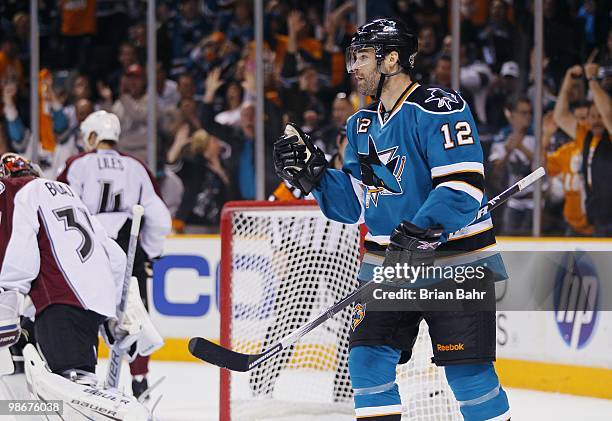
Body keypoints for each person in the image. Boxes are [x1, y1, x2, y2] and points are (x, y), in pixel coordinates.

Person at [273, 19, 510, 421]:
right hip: (389, 268)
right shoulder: (359, 125)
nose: (354, 68)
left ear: (392, 60)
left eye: (363, 57)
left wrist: (424, 228)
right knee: (366, 362)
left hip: (455, 265)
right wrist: (316, 178)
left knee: (469, 374)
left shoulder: (438, 107)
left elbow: (464, 185)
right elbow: (354, 205)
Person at [0, 153, 155, 419]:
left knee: (73, 392)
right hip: (92, 304)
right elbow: (117, 258)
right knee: (61, 380)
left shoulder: (19, 192)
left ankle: (122, 412)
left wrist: (8, 297)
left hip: (61, 301)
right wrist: (121, 314)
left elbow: (20, 252)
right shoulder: (68, 194)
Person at [57, 110, 172, 398]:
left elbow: (59, 207)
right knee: (134, 314)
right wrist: (151, 253)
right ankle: (140, 380)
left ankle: (85, 378)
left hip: (88, 250)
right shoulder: (136, 167)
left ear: (93, 136)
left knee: (87, 312)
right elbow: (159, 217)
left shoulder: (77, 164)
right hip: (128, 247)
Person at [553, 63, 611, 236]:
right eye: (593, 116)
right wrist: (568, 81)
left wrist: (592, 80)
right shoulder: (587, 137)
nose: (596, 121)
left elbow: (609, 115)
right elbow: (561, 116)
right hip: (597, 220)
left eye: (599, 116)